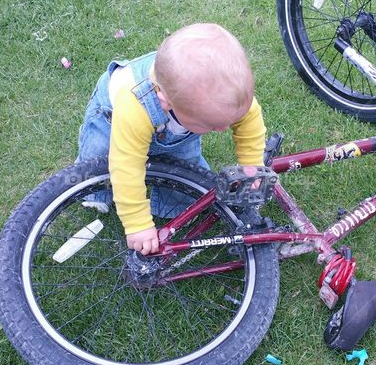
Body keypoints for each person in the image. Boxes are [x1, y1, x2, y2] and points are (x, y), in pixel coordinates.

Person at [76, 23, 266, 255]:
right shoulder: (135, 106)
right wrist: (137, 223)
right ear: (166, 102)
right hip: (111, 120)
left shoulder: (222, 99)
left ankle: (169, 203)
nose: (223, 129)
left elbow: (249, 122)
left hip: (174, 130)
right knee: (102, 163)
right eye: (210, 124)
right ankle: (97, 192)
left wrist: (251, 166)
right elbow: (126, 166)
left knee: (184, 173)